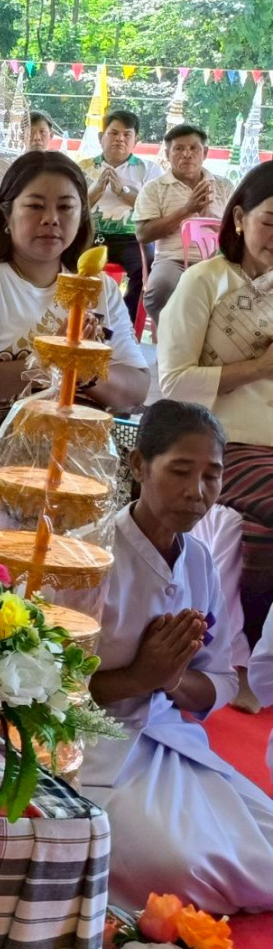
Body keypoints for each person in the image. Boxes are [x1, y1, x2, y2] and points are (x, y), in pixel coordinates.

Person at [72, 401, 273, 912]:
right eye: (180, 471)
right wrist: (139, 675)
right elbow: (43, 686)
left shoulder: (200, 558)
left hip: (170, 740)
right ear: (138, 466)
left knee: (264, 848)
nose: (197, 491)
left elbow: (223, 679)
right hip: (90, 748)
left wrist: (172, 681)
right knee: (181, 871)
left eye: (212, 476)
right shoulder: (87, 555)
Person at [0, 150, 148, 521]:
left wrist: (85, 371)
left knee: (137, 483)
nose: (51, 220)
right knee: (44, 491)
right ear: (6, 215)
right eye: (36, 206)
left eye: (66, 208)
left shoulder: (97, 287)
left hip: (76, 431)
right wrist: (48, 362)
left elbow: (136, 389)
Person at [155, 164, 273, 640]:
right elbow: (175, 384)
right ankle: (240, 654)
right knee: (264, 536)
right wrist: (260, 368)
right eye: (272, 221)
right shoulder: (204, 281)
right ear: (240, 218)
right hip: (223, 443)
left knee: (263, 534)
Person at [136, 124, 235, 329]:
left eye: (193, 148)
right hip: (173, 260)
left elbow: (238, 230)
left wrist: (209, 218)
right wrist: (187, 210)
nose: (187, 155)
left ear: (205, 153)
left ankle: (208, 346)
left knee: (242, 292)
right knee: (159, 291)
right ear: (168, 154)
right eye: (179, 149)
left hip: (218, 259)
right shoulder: (154, 188)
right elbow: (143, 235)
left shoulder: (224, 186)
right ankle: (177, 343)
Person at [83, 109, 151, 321]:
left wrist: (123, 192)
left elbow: (151, 208)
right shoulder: (83, 167)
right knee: (64, 263)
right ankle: (78, 321)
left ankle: (122, 323)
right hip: (90, 235)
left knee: (146, 269)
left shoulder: (147, 169)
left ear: (135, 140)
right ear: (100, 137)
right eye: (113, 133)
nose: (120, 139)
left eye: (126, 135)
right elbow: (72, 208)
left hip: (130, 238)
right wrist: (94, 194)